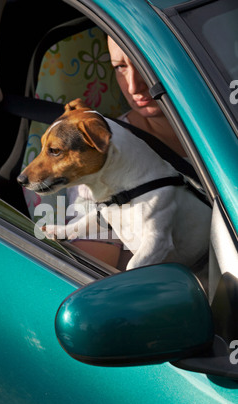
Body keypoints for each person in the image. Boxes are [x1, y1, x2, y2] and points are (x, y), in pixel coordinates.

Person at [70, 37, 187, 268]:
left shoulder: (226, 123)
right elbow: (93, 275)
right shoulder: (101, 158)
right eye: (120, 67)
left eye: (145, 62)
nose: (133, 85)